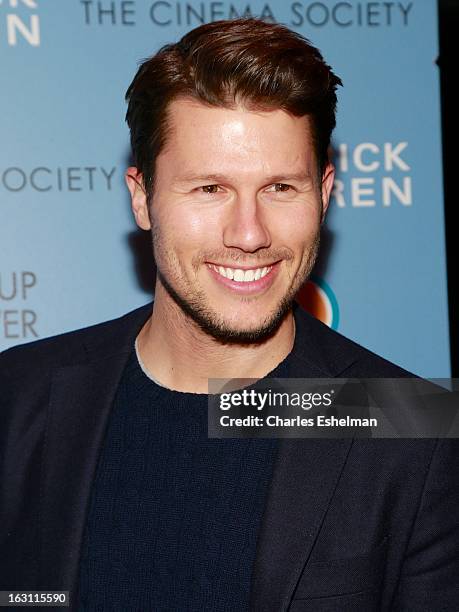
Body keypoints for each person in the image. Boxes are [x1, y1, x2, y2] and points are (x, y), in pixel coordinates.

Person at [1, 17, 458, 612]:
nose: (249, 234)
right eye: (210, 188)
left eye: (280, 189)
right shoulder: (21, 395)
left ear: (324, 194)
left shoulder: (410, 425)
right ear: (142, 197)